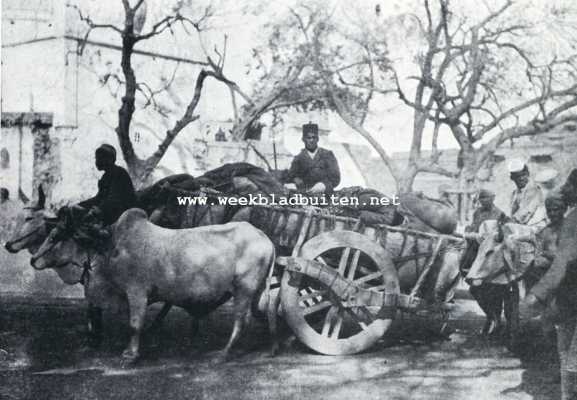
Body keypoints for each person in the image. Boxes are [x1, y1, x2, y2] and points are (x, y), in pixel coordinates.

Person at [522, 169, 577, 400]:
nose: (567, 189)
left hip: (570, 297)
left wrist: (536, 294)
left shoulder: (573, 220)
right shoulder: (553, 228)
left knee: (569, 356)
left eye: (571, 185)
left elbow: (562, 262)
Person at [463, 188, 511, 335]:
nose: (484, 201)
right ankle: (492, 317)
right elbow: (472, 227)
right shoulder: (477, 212)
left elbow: (505, 234)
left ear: (493, 198)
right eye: (481, 198)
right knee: (475, 288)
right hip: (477, 255)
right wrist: (471, 232)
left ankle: (494, 321)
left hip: (492, 257)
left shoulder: (500, 215)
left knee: (493, 290)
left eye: (487, 198)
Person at [75, 144, 136, 227]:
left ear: (110, 159)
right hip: (110, 210)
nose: (97, 161)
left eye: (100, 158)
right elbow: (99, 198)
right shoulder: (105, 177)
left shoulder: (119, 173)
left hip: (122, 214)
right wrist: (80, 205)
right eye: (96, 158)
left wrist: (96, 210)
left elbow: (114, 199)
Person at [284, 122, 340, 194]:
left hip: (326, 195)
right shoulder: (298, 158)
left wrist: (324, 185)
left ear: (317, 139)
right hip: (305, 195)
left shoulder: (327, 155)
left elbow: (336, 178)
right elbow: (289, 178)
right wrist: (296, 181)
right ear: (303, 139)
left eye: (314, 137)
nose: (311, 140)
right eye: (308, 138)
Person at [508, 159, 547, 230]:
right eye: (517, 176)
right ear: (512, 178)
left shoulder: (534, 189)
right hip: (523, 227)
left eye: (523, 175)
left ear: (528, 174)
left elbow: (525, 213)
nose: (521, 178)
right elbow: (513, 214)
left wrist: (511, 222)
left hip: (536, 227)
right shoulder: (514, 194)